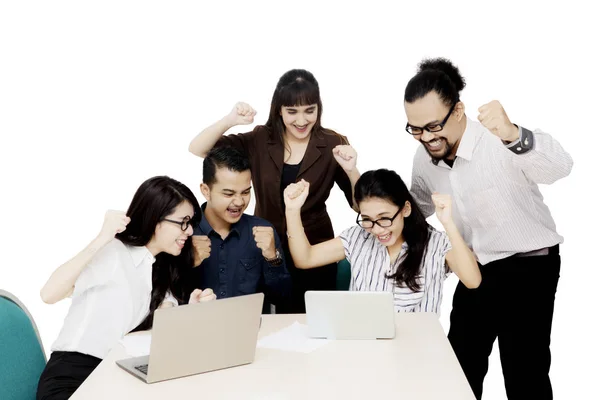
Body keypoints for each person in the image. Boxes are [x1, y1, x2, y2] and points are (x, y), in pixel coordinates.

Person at [404, 57, 573, 399]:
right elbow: (417, 210)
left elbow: (561, 167)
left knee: (525, 372)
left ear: (459, 110)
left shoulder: (498, 139)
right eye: (415, 128)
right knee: (458, 367)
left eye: (433, 126)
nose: (425, 137)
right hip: (476, 270)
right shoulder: (424, 158)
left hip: (530, 266)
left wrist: (513, 133)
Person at [188, 69, 360, 312]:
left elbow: (359, 205)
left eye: (309, 111)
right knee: (272, 322)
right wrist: (230, 120)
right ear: (279, 109)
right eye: (292, 112)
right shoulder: (260, 139)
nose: (301, 121)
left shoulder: (333, 142)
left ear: (318, 109)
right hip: (265, 246)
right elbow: (198, 148)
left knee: (316, 321)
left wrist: (353, 171)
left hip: (314, 248)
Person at [36, 176, 216, 400]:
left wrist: (191, 309)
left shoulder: (159, 267)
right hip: (74, 378)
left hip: (114, 376)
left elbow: (162, 332)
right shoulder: (114, 253)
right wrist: (103, 237)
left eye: (190, 223)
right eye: (183, 222)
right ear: (155, 219)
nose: (189, 231)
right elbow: (49, 294)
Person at [283, 169, 481, 313]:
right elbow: (305, 258)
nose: (377, 229)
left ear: (405, 209)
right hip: (366, 345)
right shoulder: (357, 237)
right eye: (367, 220)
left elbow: (472, 281)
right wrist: (292, 210)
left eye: (384, 218)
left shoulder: (435, 243)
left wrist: (448, 222)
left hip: (418, 349)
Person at [189, 146, 290, 311]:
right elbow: (165, 298)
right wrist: (187, 264)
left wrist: (273, 257)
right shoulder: (184, 233)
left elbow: (282, 298)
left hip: (251, 330)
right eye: (228, 194)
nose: (239, 202)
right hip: (197, 329)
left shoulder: (262, 230)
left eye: (245, 192)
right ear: (206, 191)